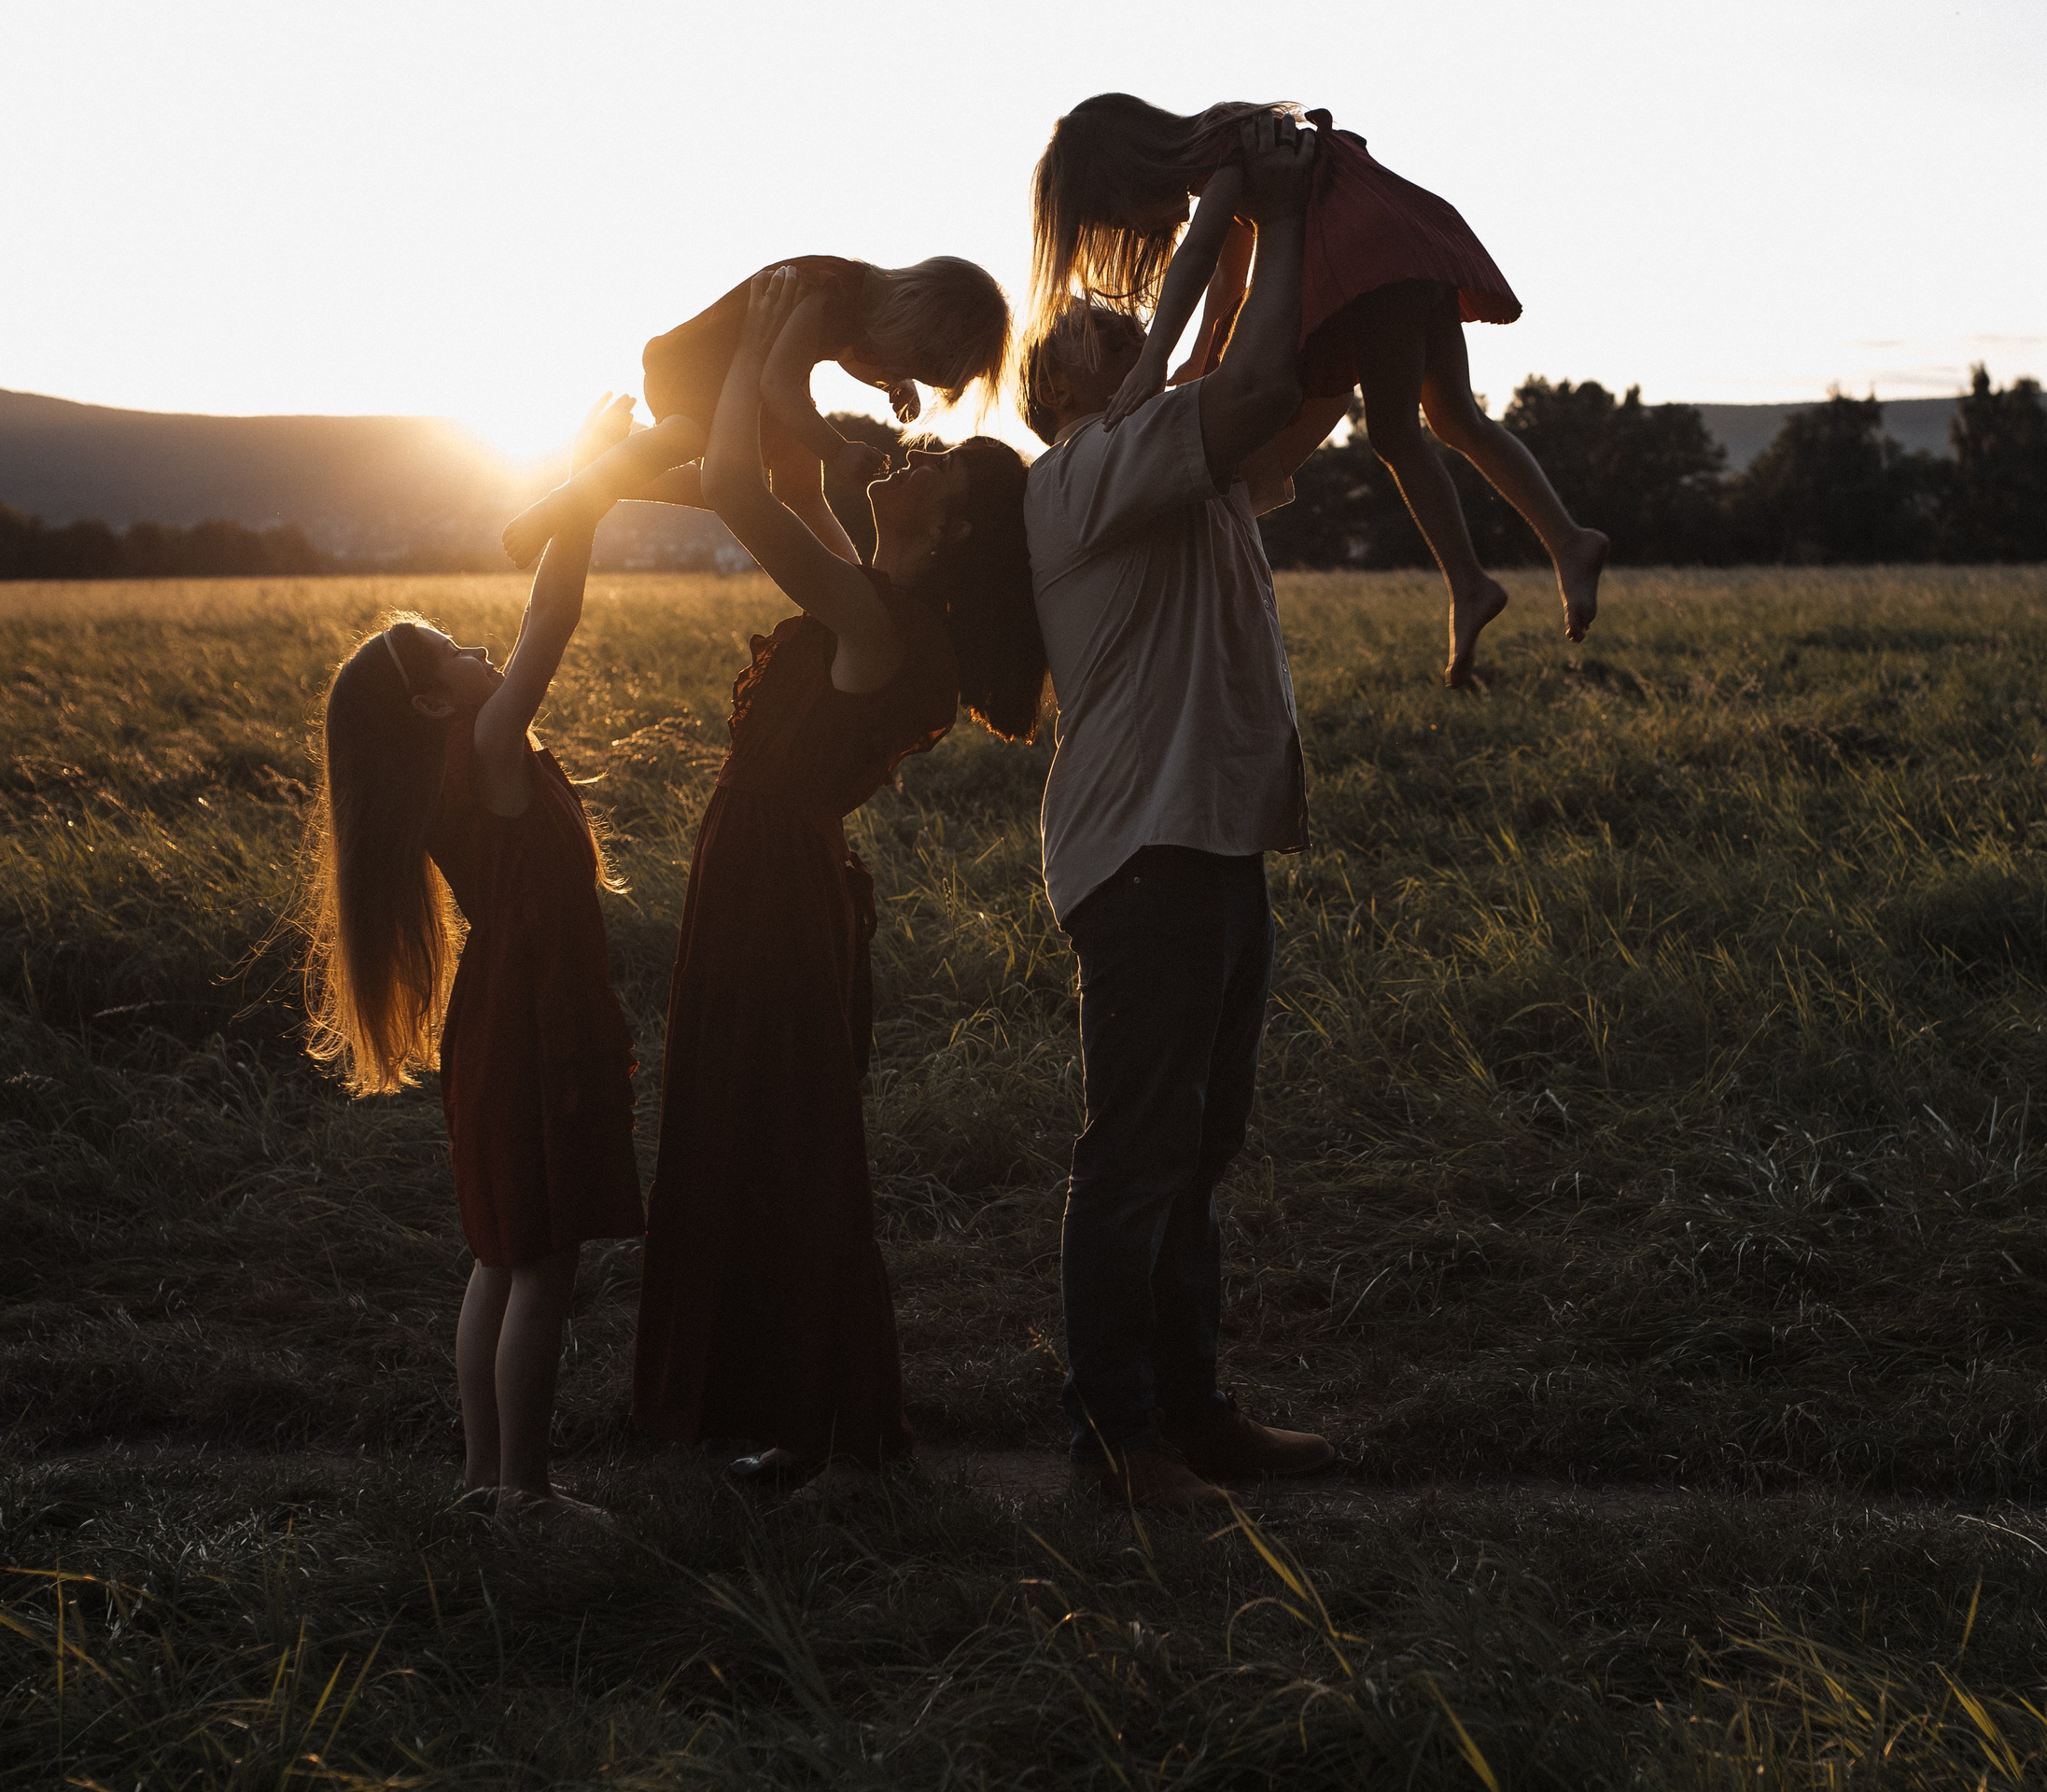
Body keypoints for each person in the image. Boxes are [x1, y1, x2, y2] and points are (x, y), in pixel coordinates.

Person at [631, 267, 1044, 1500]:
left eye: (938, 470)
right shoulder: (876, 600)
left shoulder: (882, 628)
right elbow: (791, 486)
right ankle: (801, 1420)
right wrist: (782, 363)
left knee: (778, 1144)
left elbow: (733, 489)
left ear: (953, 530)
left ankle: (814, 1420)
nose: (910, 457)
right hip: (763, 880)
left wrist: (765, 346)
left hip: (772, 894)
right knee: (768, 1137)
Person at [1020, 115, 1335, 1512]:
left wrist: (1283, 221)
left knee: (1196, 1153)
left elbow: (1284, 385)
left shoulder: (1174, 460)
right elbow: (1239, 363)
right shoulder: (1084, 476)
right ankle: (1116, 1442)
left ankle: (1193, 1417)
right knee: (1139, 1158)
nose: (1116, 317)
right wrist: (1228, 199)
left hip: (1207, 838)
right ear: (1060, 389)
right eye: (1096, 327)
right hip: (1143, 852)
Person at [300, 398, 650, 1518]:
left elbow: (529, 628)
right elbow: (555, 613)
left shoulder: (468, 763)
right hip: (533, 1020)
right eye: (456, 648)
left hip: (507, 1015)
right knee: (539, 1263)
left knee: (501, 1257)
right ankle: (528, 1500)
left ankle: (483, 1486)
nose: (482, 647)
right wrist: (589, 482)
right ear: (429, 699)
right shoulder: (487, 749)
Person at [1030, 92, 1609, 688]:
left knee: (1393, 432)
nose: (1134, 228)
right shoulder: (1226, 145)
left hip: (1372, 252)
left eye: (1118, 213)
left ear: (1130, 169)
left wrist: (1154, 362)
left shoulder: (1225, 148)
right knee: (1458, 419)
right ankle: (1566, 539)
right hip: (1399, 236)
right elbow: (1230, 274)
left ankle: (1471, 583)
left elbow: (1200, 255)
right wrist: (1199, 359)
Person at [501, 253, 1009, 568]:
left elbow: (850, 355)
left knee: (799, 495)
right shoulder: (831, 295)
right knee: (688, 438)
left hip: (762, 386)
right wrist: (835, 448)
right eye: (913, 362)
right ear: (916, 315)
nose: (898, 368)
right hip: (701, 370)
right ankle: (561, 503)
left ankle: (859, 587)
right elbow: (779, 383)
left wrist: (893, 381)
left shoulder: (864, 307)